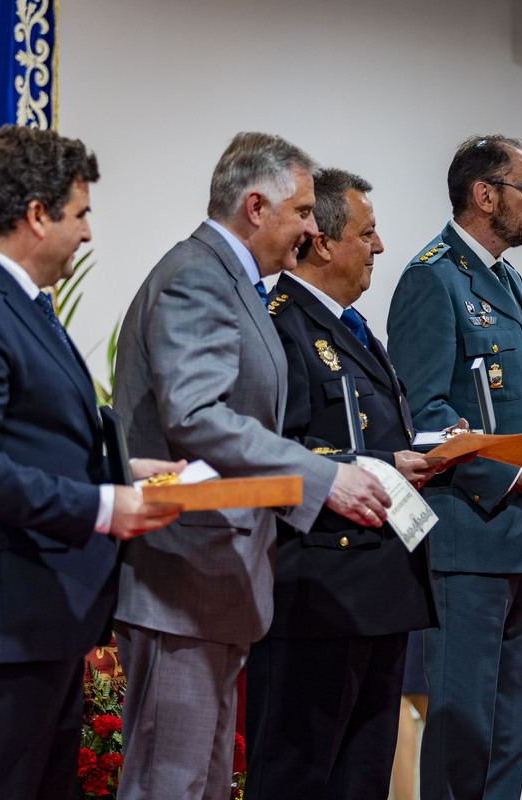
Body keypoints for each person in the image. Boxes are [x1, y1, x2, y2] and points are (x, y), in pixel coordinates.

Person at [0, 125, 182, 800]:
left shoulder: (19, 306)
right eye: (80, 215)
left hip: (32, 624)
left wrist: (123, 476)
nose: (87, 235)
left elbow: (39, 440)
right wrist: (106, 507)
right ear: (35, 215)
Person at [112, 133, 393, 800]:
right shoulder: (197, 276)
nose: (308, 227)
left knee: (204, 783)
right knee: (168, 784)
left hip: (216, 574)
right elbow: (198, 416)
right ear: (257, 207)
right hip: (182, 574)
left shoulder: (233, 281)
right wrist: (322, 479)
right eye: (301, 212)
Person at [386, 134, 522, 800]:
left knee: (508, 732)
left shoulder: (506, 277)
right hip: (471, 534)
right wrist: (510, 476)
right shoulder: (432, 277)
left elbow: (517, 408)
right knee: (463, 729)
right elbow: (424, 414)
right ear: (485, 194)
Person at [245, 167, 439, 799]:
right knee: (297, 779)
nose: (380, 247)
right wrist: (384, 459)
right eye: (368, 232)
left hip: (380, 590)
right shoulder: (278, 326)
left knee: (363, 780)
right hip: (316, 594)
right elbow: (267, 450)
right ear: (323, 241)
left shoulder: (354, 328)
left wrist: (417, 452)